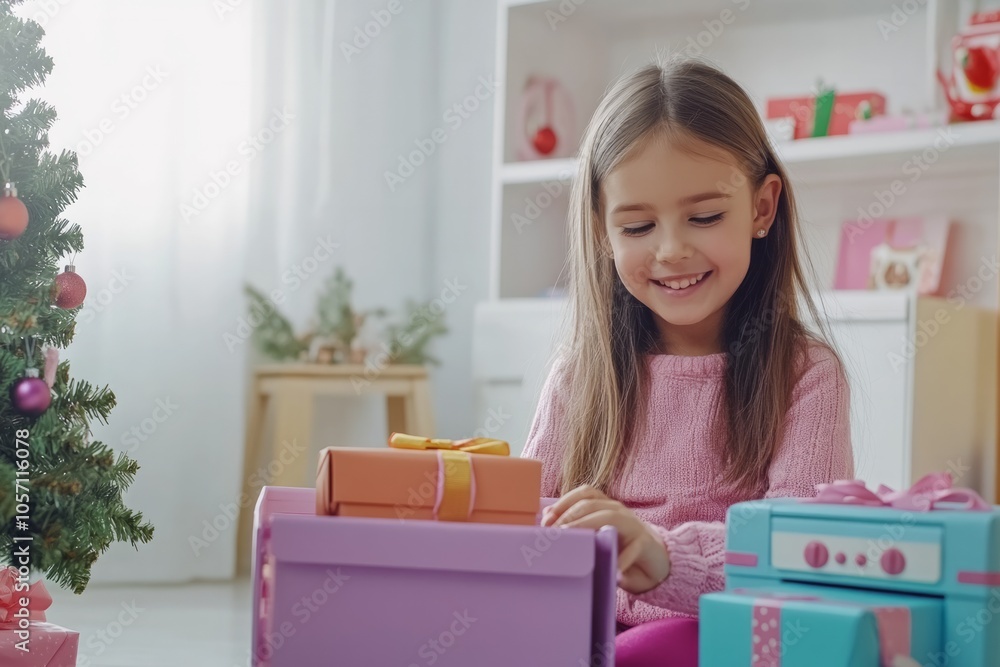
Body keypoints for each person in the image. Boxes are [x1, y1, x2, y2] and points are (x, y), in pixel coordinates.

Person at [521, 57, 854, 667]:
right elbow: (524, 515)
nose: (671, 250)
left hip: (715, 633)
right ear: (602, 231)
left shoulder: (806, 375)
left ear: (761, 208)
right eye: (638, 225)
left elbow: (802, 555)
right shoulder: (578, 373)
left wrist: (663, 557)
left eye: (704, 217)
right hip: (577, 626)